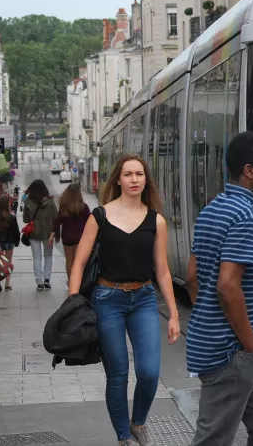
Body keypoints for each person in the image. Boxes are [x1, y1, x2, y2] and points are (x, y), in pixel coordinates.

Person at [68, 154, 180, 446]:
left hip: (143, 299)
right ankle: (123, 437)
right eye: (128, 174)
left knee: (149, 372)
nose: (134, 179)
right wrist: (72, 303)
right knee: (117, 374)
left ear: (146, 179)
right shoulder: (100, 216)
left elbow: (163, 271)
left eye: (139, 174)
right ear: (118, 179)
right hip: (107, 299)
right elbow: (78, 263)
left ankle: (138, 423)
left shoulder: (156, 220)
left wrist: (174, 315)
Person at [186, 132, 253, 446]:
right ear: (250, 170)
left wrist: (207, 319)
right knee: (213, 438)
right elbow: (227, 287)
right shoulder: (246, 217)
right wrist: (249, 345)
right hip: (232, 349)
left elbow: (192, 277)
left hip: (226, 344)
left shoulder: (213, 208)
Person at [23, 180, 57, 291]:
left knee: (37, 257)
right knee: (48, 256)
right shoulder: (50, 202)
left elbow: (25, 219)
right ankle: (47, 280)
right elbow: (55, 218)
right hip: (48, 233)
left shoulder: (28, 202)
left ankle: (39, 282)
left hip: (34, 234)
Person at [53, 183, 90, 279]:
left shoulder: (64, 207)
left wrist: (53, 233)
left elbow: (58, 221)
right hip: (80, 237)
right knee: (79, 261)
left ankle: (70, 281)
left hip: (67, 237)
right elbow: (89, 222)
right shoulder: (84, 207)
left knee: (69, 260)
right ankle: (78, 281)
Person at [0, 197, 19, 291]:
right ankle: (7, 284)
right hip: (9, 242)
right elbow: (16, 231)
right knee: (8, 262)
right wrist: (17, 241)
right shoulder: (11, 217)